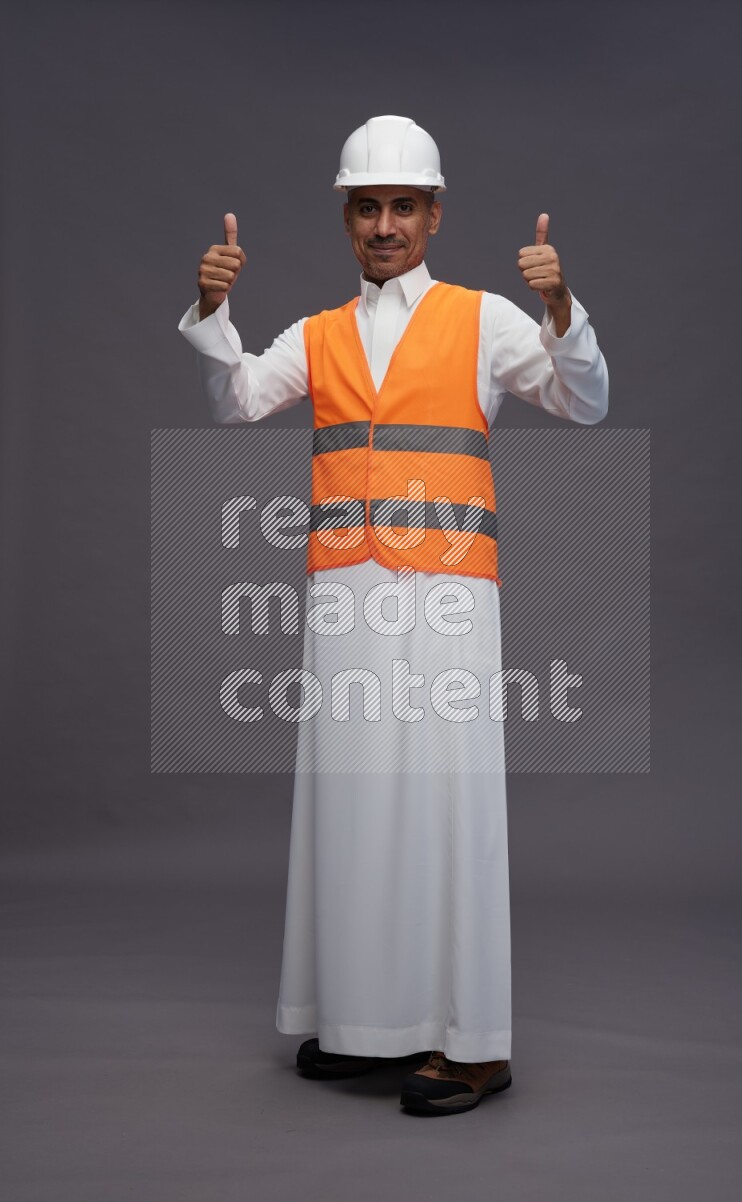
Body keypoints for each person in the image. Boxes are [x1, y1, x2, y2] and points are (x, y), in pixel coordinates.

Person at [179, 115, 608, 1115]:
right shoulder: (319, 333)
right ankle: (367, 1023)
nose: (383, 223)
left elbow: (580, 401)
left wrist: (560, 307)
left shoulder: (484, 316)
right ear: (345, 218)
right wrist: (211, 312)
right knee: (354, 803)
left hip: (447, 596)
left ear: (432, 214)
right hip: (344, 592)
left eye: (401, 205)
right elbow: (236, 400)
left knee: (447, 803)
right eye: (366, 206)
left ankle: (473, 1044)